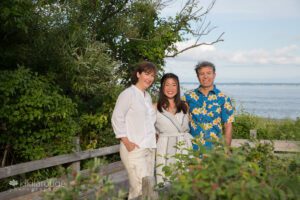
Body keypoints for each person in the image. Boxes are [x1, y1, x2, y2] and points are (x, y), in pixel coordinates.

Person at [111, 61, 157, 199]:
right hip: (133, 148)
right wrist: (126, 141)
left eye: (152, 76)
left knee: (148, 187)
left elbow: (148, 119)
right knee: (138, 188)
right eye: (146, 74)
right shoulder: (128, 94)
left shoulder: (147, 96)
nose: (149, 78)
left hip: (149, 147)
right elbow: (116, 117)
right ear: (138, 74)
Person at [183, 61, 234, 150]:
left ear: (214, 75)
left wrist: (227, 149)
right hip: (192, 149)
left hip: (215, 151)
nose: (205, 76)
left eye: (208, 73)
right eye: (202, 74)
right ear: (198, 76)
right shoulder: (188, 96)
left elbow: (228, 125)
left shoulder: (223, 98)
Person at [155, 73, 193, 184]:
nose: (170, 88)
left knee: (184, 182)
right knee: (164, 179)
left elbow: (188, 125)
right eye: (167, 85)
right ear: (162, 87)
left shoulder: (185, 106)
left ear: (178, 87)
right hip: (164, 147)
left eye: (174, 85)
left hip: (184, 146)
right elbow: (148, 129)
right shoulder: (154, 107)